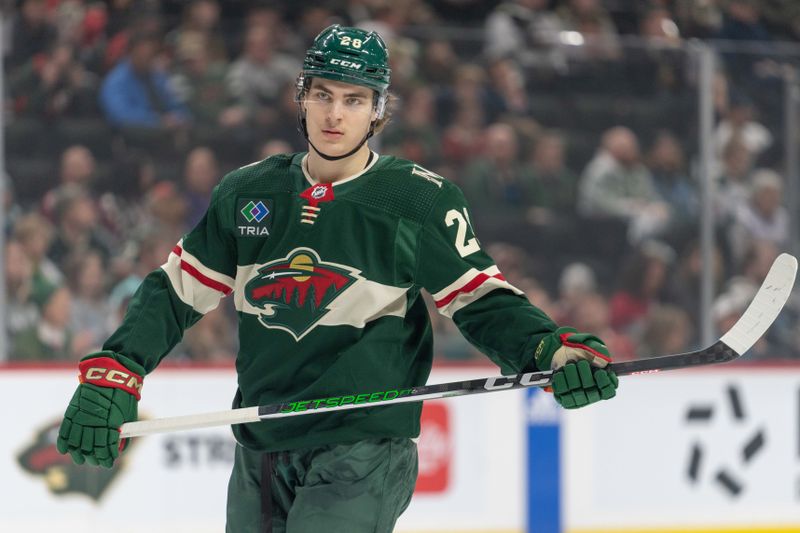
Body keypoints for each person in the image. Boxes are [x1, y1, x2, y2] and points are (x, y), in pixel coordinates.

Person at [56, 25, 620, 533]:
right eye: (322, 95)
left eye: (354, 100)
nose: (335, 115)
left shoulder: (416, 201)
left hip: (362, 447)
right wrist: (118, 369)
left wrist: (548, 348)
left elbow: (481, 300)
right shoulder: (250, 192)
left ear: (378, 112)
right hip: (262, 446)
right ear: (300, 97)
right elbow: (176, 292)